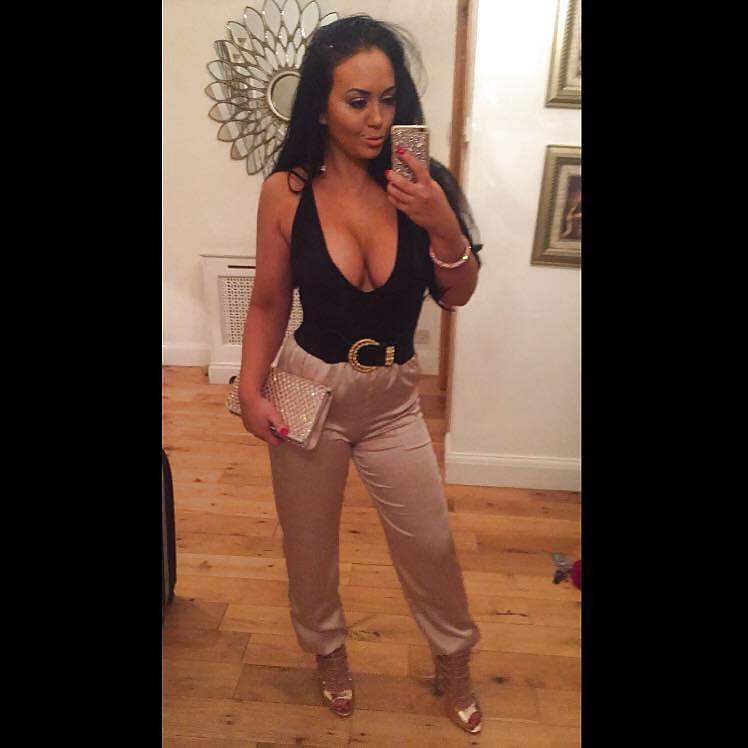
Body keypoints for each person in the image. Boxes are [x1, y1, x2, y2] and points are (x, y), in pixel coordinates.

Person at [237, 14, 484, 735]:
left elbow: (459, 294)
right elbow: (268, 301)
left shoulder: (423, 186)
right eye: (357, 101)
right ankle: (329, 654)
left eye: (389, 98)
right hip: (305, 382)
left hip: (393, 396)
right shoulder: (286, 193)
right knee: (307, 544)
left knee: (430, 542)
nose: (378, 118)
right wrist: (249, 389)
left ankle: (454, 658)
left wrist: (442, 223)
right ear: (320, 105)